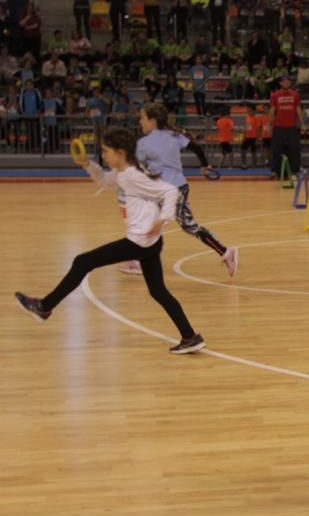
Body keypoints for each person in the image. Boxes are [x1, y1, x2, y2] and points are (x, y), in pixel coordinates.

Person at [14, 127, 207, 354]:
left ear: (120, 152)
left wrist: (162, 219)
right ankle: (190, 336)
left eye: (106, 151)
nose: (103, 155)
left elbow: (170, 192)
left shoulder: (134, 175)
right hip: (151, 241)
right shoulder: (124, 172)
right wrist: (87, 164)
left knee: (82, 262)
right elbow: (106, 181)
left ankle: (44, 307)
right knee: (158, 291)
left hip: (139, 241)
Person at [124, 103, 238, 276]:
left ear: (152, 121)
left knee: (156, 222)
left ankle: (139, 260)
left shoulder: (145, 143)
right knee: (185, 225)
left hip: (168, 191)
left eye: (142, 118)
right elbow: (196, 147)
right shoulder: (173, 135)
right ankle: (226, 252)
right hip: (179, 187)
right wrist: (205, 165)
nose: (140, 122)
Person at [268, 74, 307, 178]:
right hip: (278, 127)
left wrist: (302, 124)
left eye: (288, 81)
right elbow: (272, 110)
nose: (286, 83)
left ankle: (295, 171)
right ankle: (275, 172)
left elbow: (298, 109)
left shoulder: (295, 95)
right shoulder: (275, 95)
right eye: (284, 81)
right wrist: (268, 124)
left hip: (291, 127)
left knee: (294, 149)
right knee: (276, 150)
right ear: (280, 83)